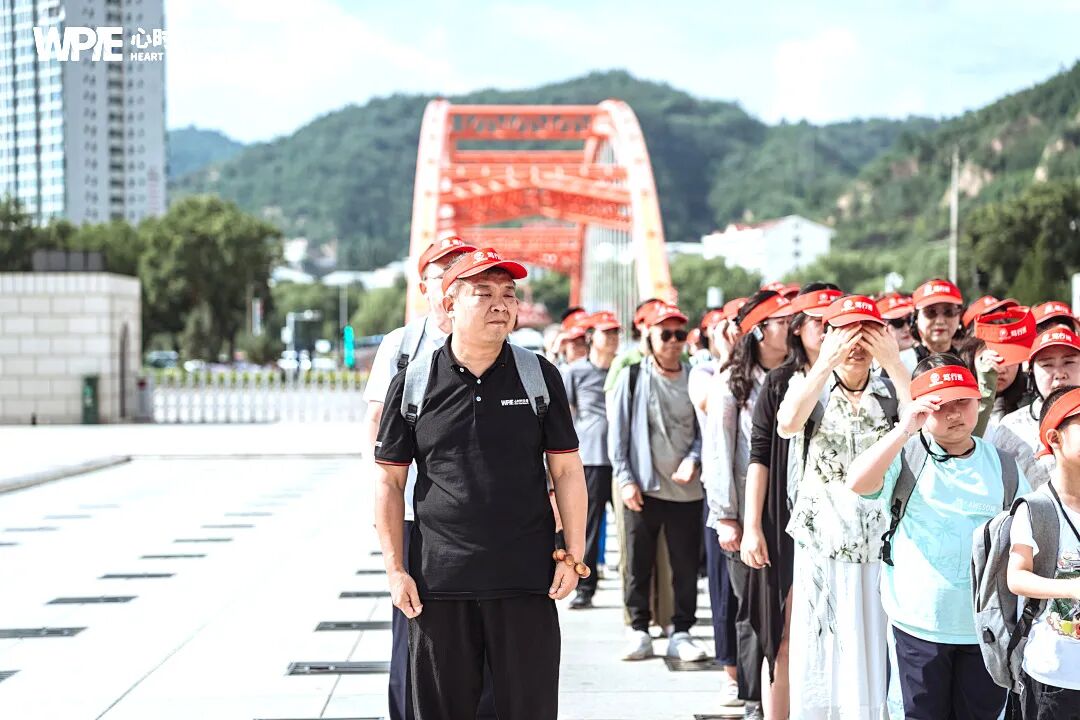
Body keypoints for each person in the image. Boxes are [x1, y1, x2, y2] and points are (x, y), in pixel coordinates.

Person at [372, 248, 588, 720]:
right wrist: (394, 569)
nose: (501, 305)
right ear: (450, 306)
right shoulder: (413, 382)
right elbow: (389, 481)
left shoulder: (538, 375)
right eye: (484, 294)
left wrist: (574, 555)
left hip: (525, 582)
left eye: (508, 295)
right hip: (439, 583)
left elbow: (569, 472)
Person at [848, 355, 1031, 720]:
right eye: (939, 405)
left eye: (962, 401)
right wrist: (904, 429)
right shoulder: (908, 455)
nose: (953, 414)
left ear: (978, 401)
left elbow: (1028, 532)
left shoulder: (1003, 464)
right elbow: (858, 482)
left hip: (983, 628)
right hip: (917, 624)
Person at [776, 295, 911, 720]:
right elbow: (787, 424)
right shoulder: (809, 386)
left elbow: (924, 419)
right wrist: (822, 365)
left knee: (875, 648)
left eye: (866, 333)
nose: (856, 343)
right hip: (822, 545)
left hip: (879, 546)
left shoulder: (892, 390)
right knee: (822, 647)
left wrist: (892, 361)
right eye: (847, 333)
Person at [362, 234, 476, 720]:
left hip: (481, 516)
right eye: (441, 276)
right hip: (414, 513)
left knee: (481, 629)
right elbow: (376, 425)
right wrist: (385, 496)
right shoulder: (401, 347)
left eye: (462, 275)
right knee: (414, 629)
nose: (451, 285)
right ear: (426, 287)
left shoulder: (497, 343)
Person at [742, 283, 838, 720]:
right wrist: (751, 526)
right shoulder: (781, 383)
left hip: (842, 527)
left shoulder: (860, 381)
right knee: (782, 633)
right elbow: (759, 455)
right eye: (818, 320)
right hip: (784, 523)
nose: (829, 328)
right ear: (798, 329)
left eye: (836, 318)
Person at [703, 290, 793, 715]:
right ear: (757, 330)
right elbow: (719, 452)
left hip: (792, 512)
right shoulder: (732, 385)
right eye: (780, 321)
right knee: (752, 608)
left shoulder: (799, 377)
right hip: (745, 513)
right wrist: (726, 517)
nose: (790, 327)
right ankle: (754, 698)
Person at [608, 301, 708, 662]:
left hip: (686, 489)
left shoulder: (696, 376)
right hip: (642, 488)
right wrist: (625, 479)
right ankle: (638, 628)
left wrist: (694, 460)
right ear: (648, 337)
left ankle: (681, 630)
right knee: (637, 562)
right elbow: (616, 435)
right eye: (665, 334)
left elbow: (705, 429)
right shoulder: (632, 377)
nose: (673, 342)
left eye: (680, 334)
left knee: (684, 565)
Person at [1008, 386, 1080, 718]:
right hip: (1054, 672)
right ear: (1055, 437)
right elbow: (1017, 577)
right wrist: (1069, 587)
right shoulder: (1038, 507)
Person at [563, 310, 622, 610]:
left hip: (624, 458)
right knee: (589, 526)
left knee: (631, 530)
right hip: (592, 457)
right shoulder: (574, 372)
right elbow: (568, 414)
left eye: (615, 333)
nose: (612, 339)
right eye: (606, 333)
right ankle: (585, 587)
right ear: (591, 337)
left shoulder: (624, 370)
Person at [990, 327, 1080, 488]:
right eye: (1047, 364)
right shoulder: (1011, 427)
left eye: (1069, 362)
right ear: (1030, 372)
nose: (1059, 373)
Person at [912, 278, 964, 360]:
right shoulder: (902, 363)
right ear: (915, 317)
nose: (940, 321)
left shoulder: (970, 363)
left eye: (949, 311)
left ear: (959, 316)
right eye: (931, 312)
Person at [876, 293, 918, 376]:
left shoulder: (925, 356)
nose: (907, 328)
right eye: (898, 323)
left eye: (909, 320)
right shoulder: (868, 367)